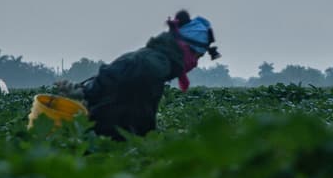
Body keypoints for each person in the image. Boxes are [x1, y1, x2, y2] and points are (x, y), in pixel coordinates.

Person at [57, 10, 219, 140]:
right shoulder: (155, 65)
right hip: (107, 134)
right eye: (198, 56)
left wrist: (88, 91)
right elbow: (141, 117)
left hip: (103, 127)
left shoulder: (151, 57)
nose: (195, 63)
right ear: (187, 48)